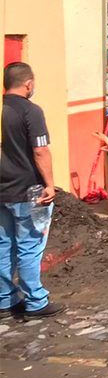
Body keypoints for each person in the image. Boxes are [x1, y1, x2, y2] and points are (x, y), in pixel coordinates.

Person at [0, 62, 63, 319]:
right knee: (29, 244)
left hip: (2, 190)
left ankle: (5, 299)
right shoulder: (31, 111)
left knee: (4, 245)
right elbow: (40, 150)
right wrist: (49, 184)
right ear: (28, 84)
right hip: (28, 190)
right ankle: (35, 301)